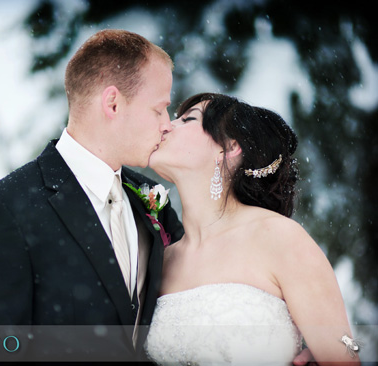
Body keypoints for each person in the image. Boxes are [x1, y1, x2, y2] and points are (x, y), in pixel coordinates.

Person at [0, 29, 184, 363]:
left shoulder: (152, 202)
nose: (168, 124)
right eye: (159, 109)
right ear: (112, 102)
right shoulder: (5, 211)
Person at [145, 92, 361, 365]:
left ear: (230, 147)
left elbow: (345, 355)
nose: (166, 125)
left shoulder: (279, 237)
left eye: (187, 119)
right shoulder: (161, 258)